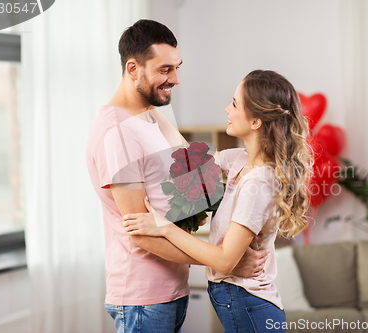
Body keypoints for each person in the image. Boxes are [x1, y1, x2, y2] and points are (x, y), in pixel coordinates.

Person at [86, 20, 268, 333]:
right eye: (165, 70)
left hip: (171, 290)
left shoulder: (153, 115)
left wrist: (188, 209)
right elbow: (141, 232)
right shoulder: (118, 134)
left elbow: (198, 182)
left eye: (177, 67)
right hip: (143, 298)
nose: (176, 79)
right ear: (133, 69)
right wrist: (228, 261)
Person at [123, 69, 313, 333]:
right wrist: (151, 106)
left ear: (256, 121)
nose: (227, 108)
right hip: (243, 305)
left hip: (250, 308)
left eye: (234, 103)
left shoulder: (258, 183)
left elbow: (225, 261)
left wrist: (164, 227)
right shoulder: (239, 160)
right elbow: (185, 155)